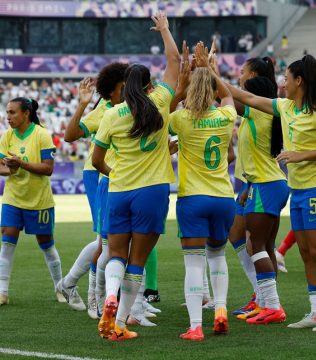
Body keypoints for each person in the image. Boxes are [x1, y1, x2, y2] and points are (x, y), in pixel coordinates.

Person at [226, 54, 316, 332]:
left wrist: (300, 155)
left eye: (287, 78)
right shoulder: (286, 107)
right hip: (299, 190)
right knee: (305, 251)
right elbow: (244, 96)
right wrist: (208, 72)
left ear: (299, 81)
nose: (283, 83)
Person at [93, 11, 180, 341]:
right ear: (148, 84)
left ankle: (109, 297)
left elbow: (96, 158)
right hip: (152, 191)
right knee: (138, 260)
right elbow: (174, 61)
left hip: (120, 190)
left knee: (115, 253)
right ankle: (121, 322)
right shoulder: (159, 101)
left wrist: (113, 174)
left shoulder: (112, 114)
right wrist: (165, 30)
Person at [169, 42, 236, 341]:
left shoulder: (181, 120)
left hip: (193, 198)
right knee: (218, 257)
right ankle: (220, 309)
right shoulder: (224, 118)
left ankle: (196, 325)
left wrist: (183, 84)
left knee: (193, 263)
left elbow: (166, 110)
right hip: (223, 197)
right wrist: (208, 69)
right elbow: (229, 94)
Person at [57, 63, 128, 319]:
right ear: (113, 90)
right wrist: (82, 104)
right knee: (105, 239)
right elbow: (70, 135)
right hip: (99, 173)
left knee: (110, 239)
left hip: (116, 176)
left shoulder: (129, 106)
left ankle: (68, 284)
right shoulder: (106, 110)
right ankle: (93, 300)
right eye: (125, 85)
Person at [227, 71, 288, 325]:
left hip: (265, 185)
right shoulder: (267, 114)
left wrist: (208, 71)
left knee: (256, 246)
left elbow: (229, 94)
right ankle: (265, 303)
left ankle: (272, 306)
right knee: (265, 247)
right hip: (267, 183)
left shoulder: (257, 111)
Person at [0, 98, 63, 305]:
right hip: (13, 197)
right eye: (7, 112)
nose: (8, 117)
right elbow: (2, 167)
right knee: (7, 239)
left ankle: (60, 288)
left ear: (26, 113)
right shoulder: (7, 136)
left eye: (12, 113)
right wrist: (10, 169)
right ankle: (2, 292)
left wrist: (21, 163)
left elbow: (48, 168)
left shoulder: (42, 135)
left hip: (39, 201)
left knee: (46, 244)